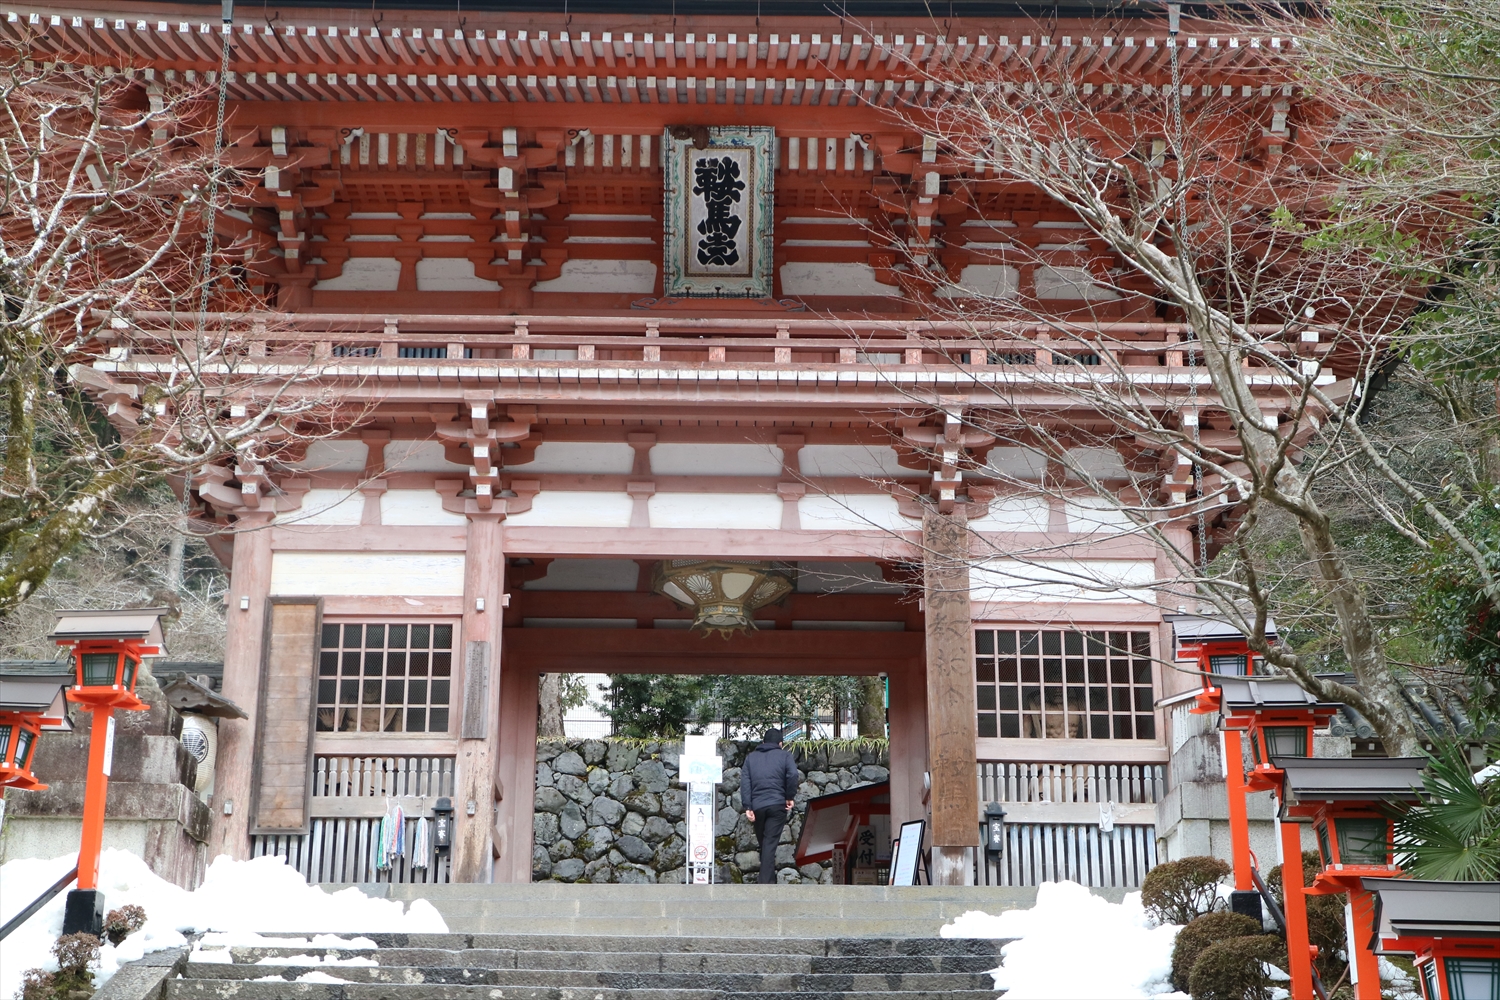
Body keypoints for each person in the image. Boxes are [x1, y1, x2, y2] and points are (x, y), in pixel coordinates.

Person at [739, 727, 800, 884]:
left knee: (766, 844)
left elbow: (745, 782)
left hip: (758, 807)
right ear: (780, 743)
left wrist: (748, 806)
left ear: (763, 742)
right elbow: (793, 774)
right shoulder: (785, 756)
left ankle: (769, 880)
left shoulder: (751, 758)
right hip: (777, 805)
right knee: (769, 844)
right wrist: (789, 796)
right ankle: (765, 884)